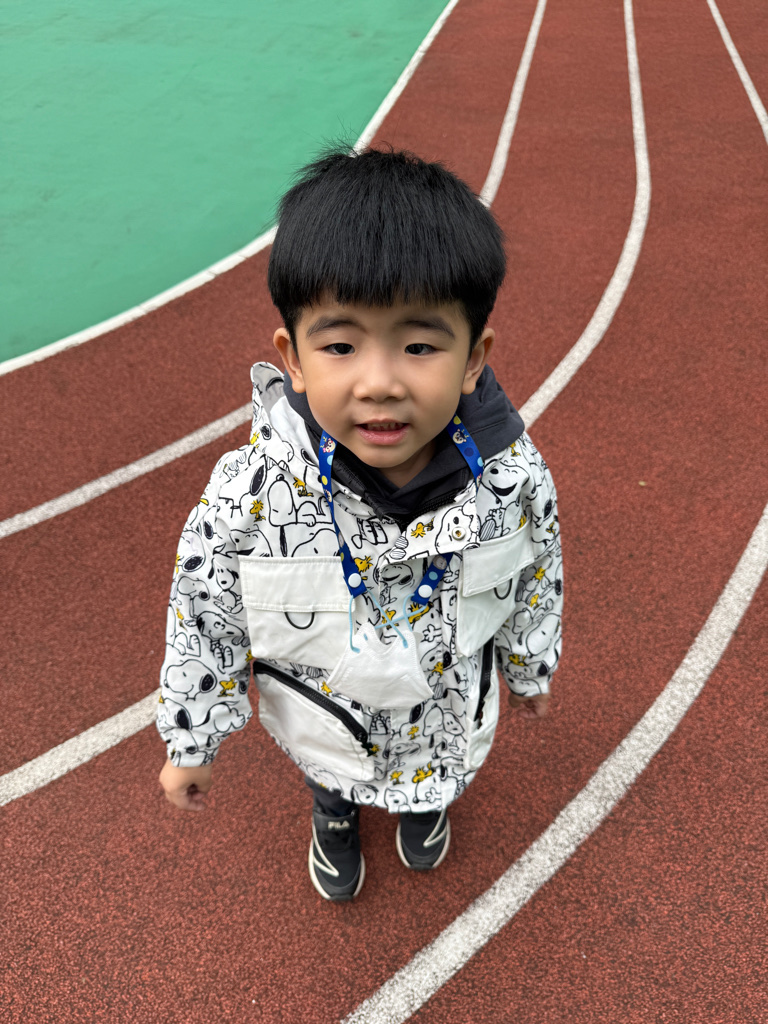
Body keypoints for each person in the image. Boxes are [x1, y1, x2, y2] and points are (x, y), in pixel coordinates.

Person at [157, 147, 563, 901]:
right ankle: (335, 813)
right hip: (324, 723)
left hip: (446, 719)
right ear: (294, 358)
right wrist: (193, 740)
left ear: (473, 358)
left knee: (436, 773)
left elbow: (538, 574)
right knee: (331, 773)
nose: (379, 382)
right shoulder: (250, 497)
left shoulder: (511, 481)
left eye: (420, 346)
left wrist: (530, 667)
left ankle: (426, 804)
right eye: (341, 346)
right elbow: (204, 615)